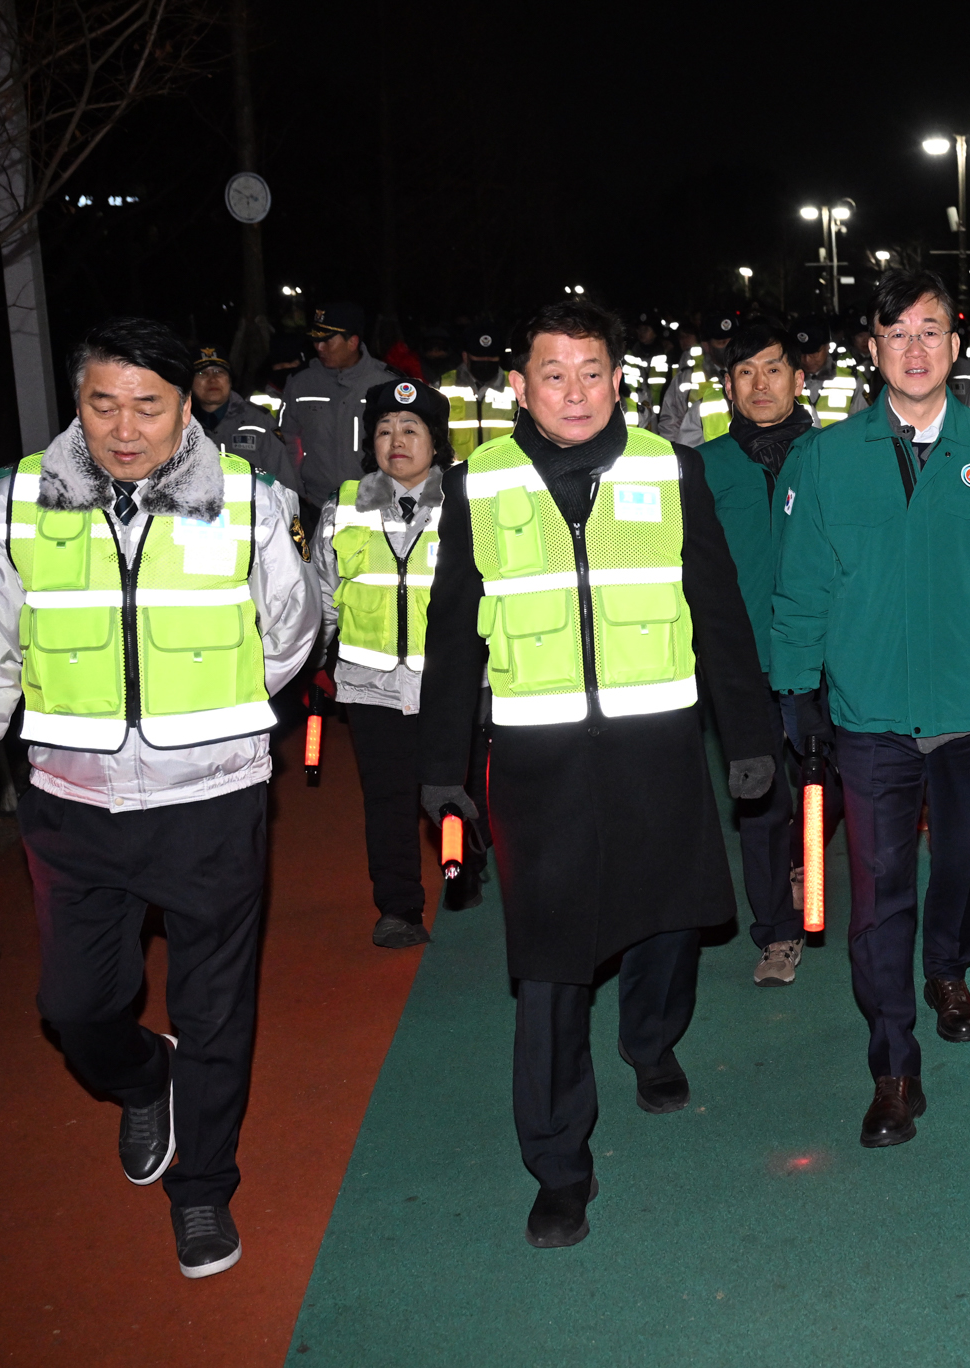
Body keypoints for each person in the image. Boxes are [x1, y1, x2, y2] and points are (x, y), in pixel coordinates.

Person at [418, 300, 778, 1248]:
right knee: (549, 964)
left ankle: (651, 1042)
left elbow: (722, 612)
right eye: (552, 373)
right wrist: (440, 765)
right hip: (536, 764)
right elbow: (451, 633)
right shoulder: (477, 486)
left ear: (618, 379)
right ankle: (558, 1162)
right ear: (518, 386)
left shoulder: (671, 469)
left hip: (659, 746)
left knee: (669, 917)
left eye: (590, 372)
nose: (573, 392)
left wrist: (750, 736)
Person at [0, 319, 315, 1277]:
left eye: (149, 406)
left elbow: (287, 636)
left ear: (187, 406)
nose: (124, 429)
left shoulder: (248, 499)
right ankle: (143, 1075)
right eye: (101, 403)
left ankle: (203, 1187)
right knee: (76, 1007)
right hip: (71, 802)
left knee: (216, 1007)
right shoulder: (15, 507)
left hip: (213, 798)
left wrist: (213, 719)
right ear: (75, 402)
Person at [771, 268, 970, 1148]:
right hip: (869, 719)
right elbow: (801, 589)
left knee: (962, 871)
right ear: (873, 348)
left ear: (956, 345)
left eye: (931, 329)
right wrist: (797, 690)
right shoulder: (827, 459)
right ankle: (893, 1065)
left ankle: (949, 969)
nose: (914, 346)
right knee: (877, 893)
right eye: (897, 331)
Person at [698, 322, 840, 986]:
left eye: (774, 370)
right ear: (729, 385)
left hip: (827, 658)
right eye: (745, 373)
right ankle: (776, 933)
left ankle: (799, 854)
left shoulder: (839, 456)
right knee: (759, 796)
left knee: (833, 785)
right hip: (743, 662)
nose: (760, 384)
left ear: (799, 378)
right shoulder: (703, 467)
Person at [313, 378, 452, 949]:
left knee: (453, 790)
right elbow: (321, 593)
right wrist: (313, 661)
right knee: (389, 800)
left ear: (436, 442)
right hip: (370, 687)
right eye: (385, 431)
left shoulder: (468, 508)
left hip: (449, 684)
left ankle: (465, 865)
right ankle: (398, 907)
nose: (397, 441)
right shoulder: (342, 508)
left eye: (411, 429)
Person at [280, 301, 398, 532]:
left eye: (327, 340)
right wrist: (297, 487)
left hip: (377, 507)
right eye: (316, 340)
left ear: (352, 341)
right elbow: (285, 438)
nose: (319, 347)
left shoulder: (387, 383)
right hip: (316, 506)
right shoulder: (301, 382)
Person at [192, 345, 300, 491]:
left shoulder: (259, 422)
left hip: (252, 513)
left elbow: (284, 481)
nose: (212, 379)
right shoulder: (179, 426)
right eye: (202, 373)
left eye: (219, 372)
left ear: (230, 380)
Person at [657, 308, 743, 446]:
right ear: (706, 346)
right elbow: (670, 424)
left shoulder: (750, 374)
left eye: (732, 340)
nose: (729, 347)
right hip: (700, 458)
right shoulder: (686, 378)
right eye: (721, 342)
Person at [437, 322, 518, 460]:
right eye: (479, 357)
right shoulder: (442, 386)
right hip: (456, 476)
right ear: (465, 357)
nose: (486, 361)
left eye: (491, 357)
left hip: (503, 476)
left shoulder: (516, 386)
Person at [791, 314, 867, 427]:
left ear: (827, 346)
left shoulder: (851, 380)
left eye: (814, 352)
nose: (807, 359)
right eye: (801, 353)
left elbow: (863, 424)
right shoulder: (785, 380)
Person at [621, 312, 675, 429]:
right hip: (637, 415)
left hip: (663, 416)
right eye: (639, 329)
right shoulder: (629, 354)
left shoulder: (667, 354)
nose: (641, 333)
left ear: (655, 332)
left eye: (646, 329)